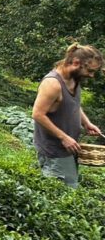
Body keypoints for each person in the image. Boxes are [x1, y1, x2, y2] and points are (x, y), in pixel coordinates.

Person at [32, 43, 103, 187]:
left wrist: (86, 123)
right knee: (61, 195)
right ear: (77, 63)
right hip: (55, 151)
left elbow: (73, 104)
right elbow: (38, 114)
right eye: (90, 70)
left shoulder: (73, 79)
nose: (91, 75)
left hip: (68, 149)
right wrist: (64, 137)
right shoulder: (52, 84)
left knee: (69, 189)